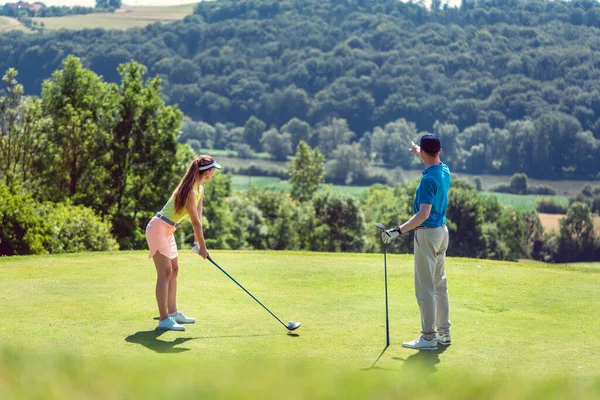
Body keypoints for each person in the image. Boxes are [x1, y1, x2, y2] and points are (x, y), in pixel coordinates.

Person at [381, 134, 452, 350]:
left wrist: (397, 231)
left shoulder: (427, 181)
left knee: (425, 288)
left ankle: (428, 337)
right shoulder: (445, 170)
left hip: (427, 234)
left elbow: (422, 214)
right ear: (439, 151)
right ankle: (444, 334)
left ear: (424, 152)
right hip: (442, 233)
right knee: (439, 284)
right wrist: (419, 151)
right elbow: (433, 160)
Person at [145, 155, 221, 331]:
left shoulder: (199, 189)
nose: (214, 173)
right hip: (158, 229)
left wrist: (197, 241)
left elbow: (198, 217)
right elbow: (194, 222)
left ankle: (172, 313)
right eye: (214, 170)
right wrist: (203, 247)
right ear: (208, 171)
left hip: (168, 230)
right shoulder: (188, 191)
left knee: (174, 270)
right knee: (165, 272)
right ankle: (164, 319)